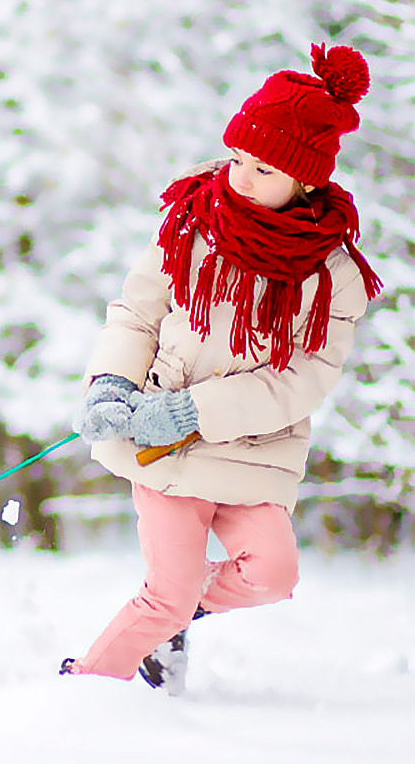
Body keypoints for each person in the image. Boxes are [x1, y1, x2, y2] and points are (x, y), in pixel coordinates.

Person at [62, 44, 382, 692]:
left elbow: (305, 380)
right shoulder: (192, 223)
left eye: (262, 170)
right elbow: (137, 314)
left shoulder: (332, 275)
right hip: (161, 449)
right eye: (237, 159)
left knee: (271, 575)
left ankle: (169, 616)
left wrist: (194, 412)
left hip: (250, 452)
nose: (240, 178)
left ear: (307, 180)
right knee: (166, 597)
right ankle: (84, 691)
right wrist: (112, 385)